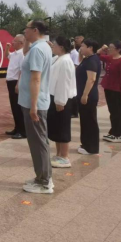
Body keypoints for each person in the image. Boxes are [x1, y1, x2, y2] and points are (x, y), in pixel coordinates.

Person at [19, 20, 53, 194]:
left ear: (35, 30)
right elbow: (26, 56)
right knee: (39, 141)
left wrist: (33, 106)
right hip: (35, 102)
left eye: (27, 28)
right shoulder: (39, 47)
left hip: (35, 104)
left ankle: (44, 181)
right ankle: (42, 176)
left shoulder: (38, 49)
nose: (24, 31)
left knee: (38, 142)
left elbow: (36, 78)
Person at [47, 36, 77, 168]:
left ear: (61, 47)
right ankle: (59, 154)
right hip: (55, 97)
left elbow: (64, 83)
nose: (52, 47)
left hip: (62, 98)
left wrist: (60, 101)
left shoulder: (65, 61)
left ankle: (65, 157)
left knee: (63, 128)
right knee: (57, 128)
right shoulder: (58, 58)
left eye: (54, 45)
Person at [97, 42, 121, 142]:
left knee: (118, 112)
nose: (109, 49)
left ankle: (119, 134)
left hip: (117, 90)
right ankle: (114, 132)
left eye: (111, 48)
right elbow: (97, 55)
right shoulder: (110, 58)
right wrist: (102, 48)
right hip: (109, 88)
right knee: (112, 111)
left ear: (118, 49)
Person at [76, 39, 101, 155]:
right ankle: (86, 144)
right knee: (85, 120)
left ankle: (91, 147)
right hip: (83, 94)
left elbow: (91, 79)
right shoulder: (87, 59)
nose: (80, 48)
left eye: (83, 46)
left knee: (90, 121)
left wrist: (85, 95)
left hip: (89, 95)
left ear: (90, 48)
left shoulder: (92, 60)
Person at [4, 34, 26, 139]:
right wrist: (7, 48)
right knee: (13, 106)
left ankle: (22, 131)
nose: (13, 42)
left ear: (21, 43)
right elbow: (7, 55)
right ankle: (17, 128)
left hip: (16, 82)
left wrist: (18, 84)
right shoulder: (15, 54)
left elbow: (22, 70)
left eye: (15, 41)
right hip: (10, 82)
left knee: (18, 107)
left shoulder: (22, 54)